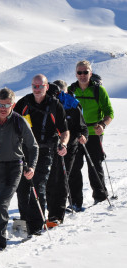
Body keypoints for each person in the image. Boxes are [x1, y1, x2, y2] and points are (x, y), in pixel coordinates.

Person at [14, 74, 69, 236]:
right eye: (34, 86)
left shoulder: (55, 106)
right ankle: (25, 221)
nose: (37, 89)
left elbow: (64, 130)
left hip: (45, 150)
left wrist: (64, 144)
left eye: (40, 86)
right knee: (22, 187)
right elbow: (13, 123)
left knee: (39, 185)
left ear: (46, 87)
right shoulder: (24, 103)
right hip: (24, 150)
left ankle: (37, 223)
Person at [0, 87, 38, 250]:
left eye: (6, 105)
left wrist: (32, 167)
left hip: (15, 166)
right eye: (0, 104)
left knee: (3, 203)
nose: (2, 109)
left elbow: (33, 146)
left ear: (13, 105)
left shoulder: (19, 121)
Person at [68, 60, 114, 210]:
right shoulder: (70, 90)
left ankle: (100, 197)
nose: (82, 75)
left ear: (90, 73)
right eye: (79, 72)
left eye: (85, 72)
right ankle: (75, 201)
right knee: (74, 168)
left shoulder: (99, 90)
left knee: (95, 165)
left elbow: (109, 112)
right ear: (76, 74)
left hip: (94, 132)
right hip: (76, 134)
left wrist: (102, 124)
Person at [46, 80, 88, 225]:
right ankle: (52, 207)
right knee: (51, 177)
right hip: (53, 146)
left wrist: (83, 136)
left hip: (71, 146)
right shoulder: (49, 104)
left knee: (67, 175)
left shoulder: (72, 104)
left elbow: (83, 127)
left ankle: (70, 205)